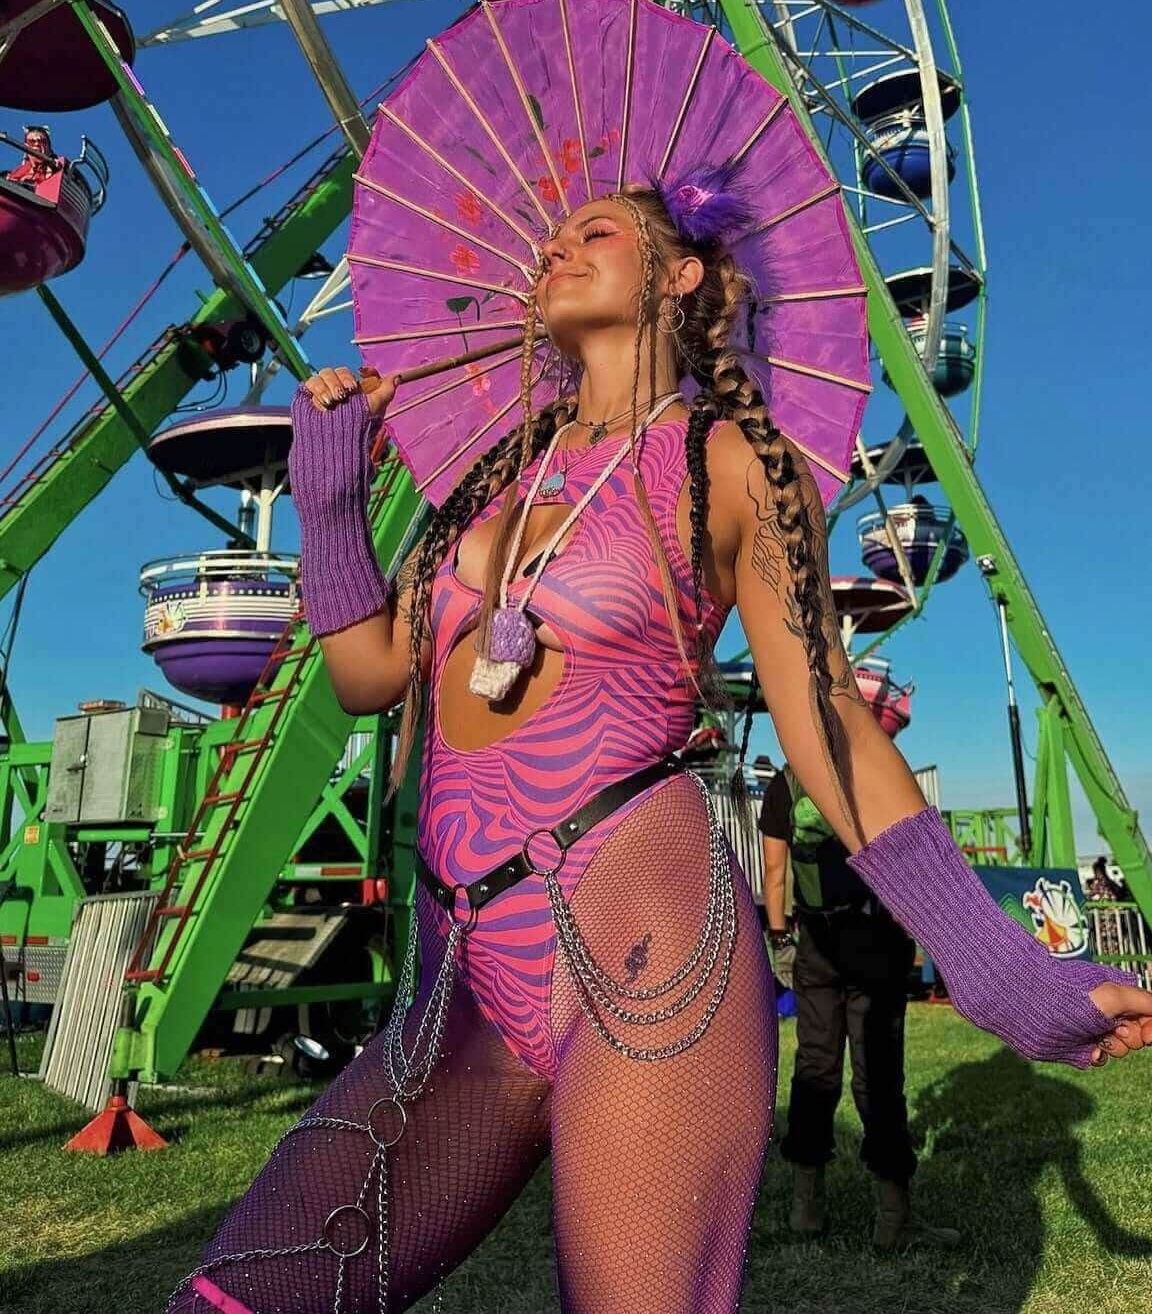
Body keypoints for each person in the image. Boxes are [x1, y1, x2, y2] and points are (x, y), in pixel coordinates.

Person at [168, 177, 1152, 1314]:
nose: (559, 249)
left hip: (649, 945)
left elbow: (827, 719)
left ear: (679, 277)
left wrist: (999, 970)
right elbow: (364, 678)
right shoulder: (493, 476)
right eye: (552, 240)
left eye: (597, 233)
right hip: (458, 989)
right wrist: (331, 497)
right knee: (238, 1296)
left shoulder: (733, 460)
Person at [762, 758, 959, 1250]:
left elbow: (774, 869)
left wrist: (781, 937)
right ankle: (894, 1218)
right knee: (879, 1075)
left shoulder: (788, 781)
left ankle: (806, 1208)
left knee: (815, 1066)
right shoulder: (868, 768)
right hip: (874, 940)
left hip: (816, 942)